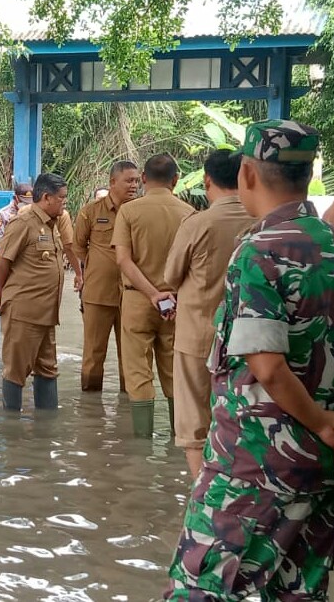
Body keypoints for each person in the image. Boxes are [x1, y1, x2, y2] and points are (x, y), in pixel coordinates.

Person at [165, 120, 334, 600]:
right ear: (308, 175)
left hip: (251, 467)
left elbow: (266, 366)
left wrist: (324, 421)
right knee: (298, 591)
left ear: (246, 173)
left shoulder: (258, 250)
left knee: (203, 587)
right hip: (321, 472)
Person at [164, 150, 254, 477]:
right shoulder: (264, 223)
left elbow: (171, 276)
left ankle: (203, 497)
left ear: (207, 180)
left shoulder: (199, 222)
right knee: (240, 419)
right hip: (251, 341)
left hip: (198, 335)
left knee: (193, 425)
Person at [113, 154, 195, 438]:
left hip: (138, 299)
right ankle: (179, 438)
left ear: (144, 179)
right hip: (177, 303)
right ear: (176, 179)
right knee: (174, 370)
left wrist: (151, 294)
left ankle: (141, 442)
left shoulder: (129, 211)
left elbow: (123, 260)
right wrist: (169, 294)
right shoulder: (189, 213)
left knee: (138, 372)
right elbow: (195, 265)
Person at [0, 173, 68, 412]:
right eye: (62, 198)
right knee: (16, 371)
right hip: (24, 312)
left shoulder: (51, 224)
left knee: (47, 368)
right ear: (46, 198)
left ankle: (45, 431)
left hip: (46, 313)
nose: (65, 202)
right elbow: (0, 263)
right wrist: (0, 295)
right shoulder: (23, 223)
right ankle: (11, 429)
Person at [72, 161, 141, 392]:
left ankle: (128, 402)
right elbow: (78, 246)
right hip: (98, 293)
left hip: (133, 293)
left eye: (136, 180)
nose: (134, 185)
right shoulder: (91, 211)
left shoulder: (140, 211)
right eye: (129, 180)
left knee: (131, 354)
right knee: (93, 353)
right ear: (113, 182)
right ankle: (90, 406)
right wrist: (95, 267)